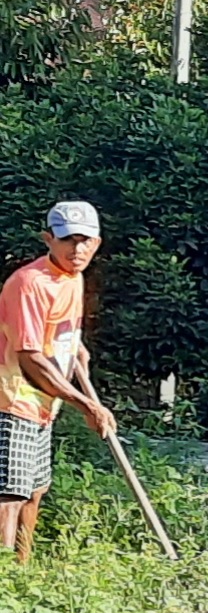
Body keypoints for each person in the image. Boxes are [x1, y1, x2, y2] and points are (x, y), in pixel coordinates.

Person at [2, 201, 114, 565]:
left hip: (42, 405)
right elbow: (31, 358)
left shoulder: (73, 277)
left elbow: (59, 328)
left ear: (97, 243)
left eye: (85, 241)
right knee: (10, 494)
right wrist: (88, 405)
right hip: (11, 399)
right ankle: (5, 582)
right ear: (48, 239)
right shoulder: (29, 283)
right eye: (68, 240)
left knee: (35, 490)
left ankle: (23, 569)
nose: (77, 250)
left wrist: (77, 349)